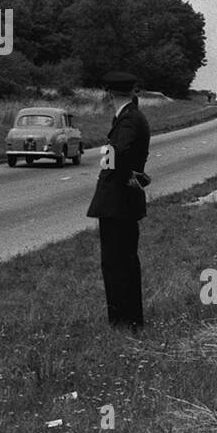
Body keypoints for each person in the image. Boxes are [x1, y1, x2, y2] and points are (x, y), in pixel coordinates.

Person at [86, 71, 151, 332]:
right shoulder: (133, 116)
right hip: (124, 200)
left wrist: (120, 173)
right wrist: (133, 173)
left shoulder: (128, 119)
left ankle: (121, 321)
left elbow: (118, 151)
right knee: (125, 261)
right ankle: (131, 319)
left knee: (115, 264)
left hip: (117, 200)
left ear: (109, 93)